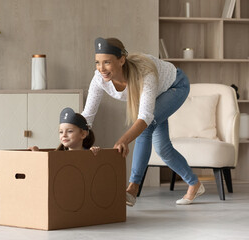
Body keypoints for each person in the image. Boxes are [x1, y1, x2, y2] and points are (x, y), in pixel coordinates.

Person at [81, 37, 205, 206]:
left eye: (107, 62)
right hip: (157, 94)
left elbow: (145, 118)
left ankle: (133, 188)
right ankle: (194, 184)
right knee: (162, 148)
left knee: (146, 129)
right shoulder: (99, 79)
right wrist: (71, 137)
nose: (101, 68)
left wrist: (123, 140)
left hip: (175, 86)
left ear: (121, 60)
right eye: (97, 62)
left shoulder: (144, 73)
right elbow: (87, 115)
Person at [30, 107, 100, 155]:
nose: (64, 135)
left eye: (70, 131)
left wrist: (95, 152)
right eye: (61, 132)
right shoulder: (57, 156)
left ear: (83, 134)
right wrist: (37, 154)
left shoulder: (89, 153)